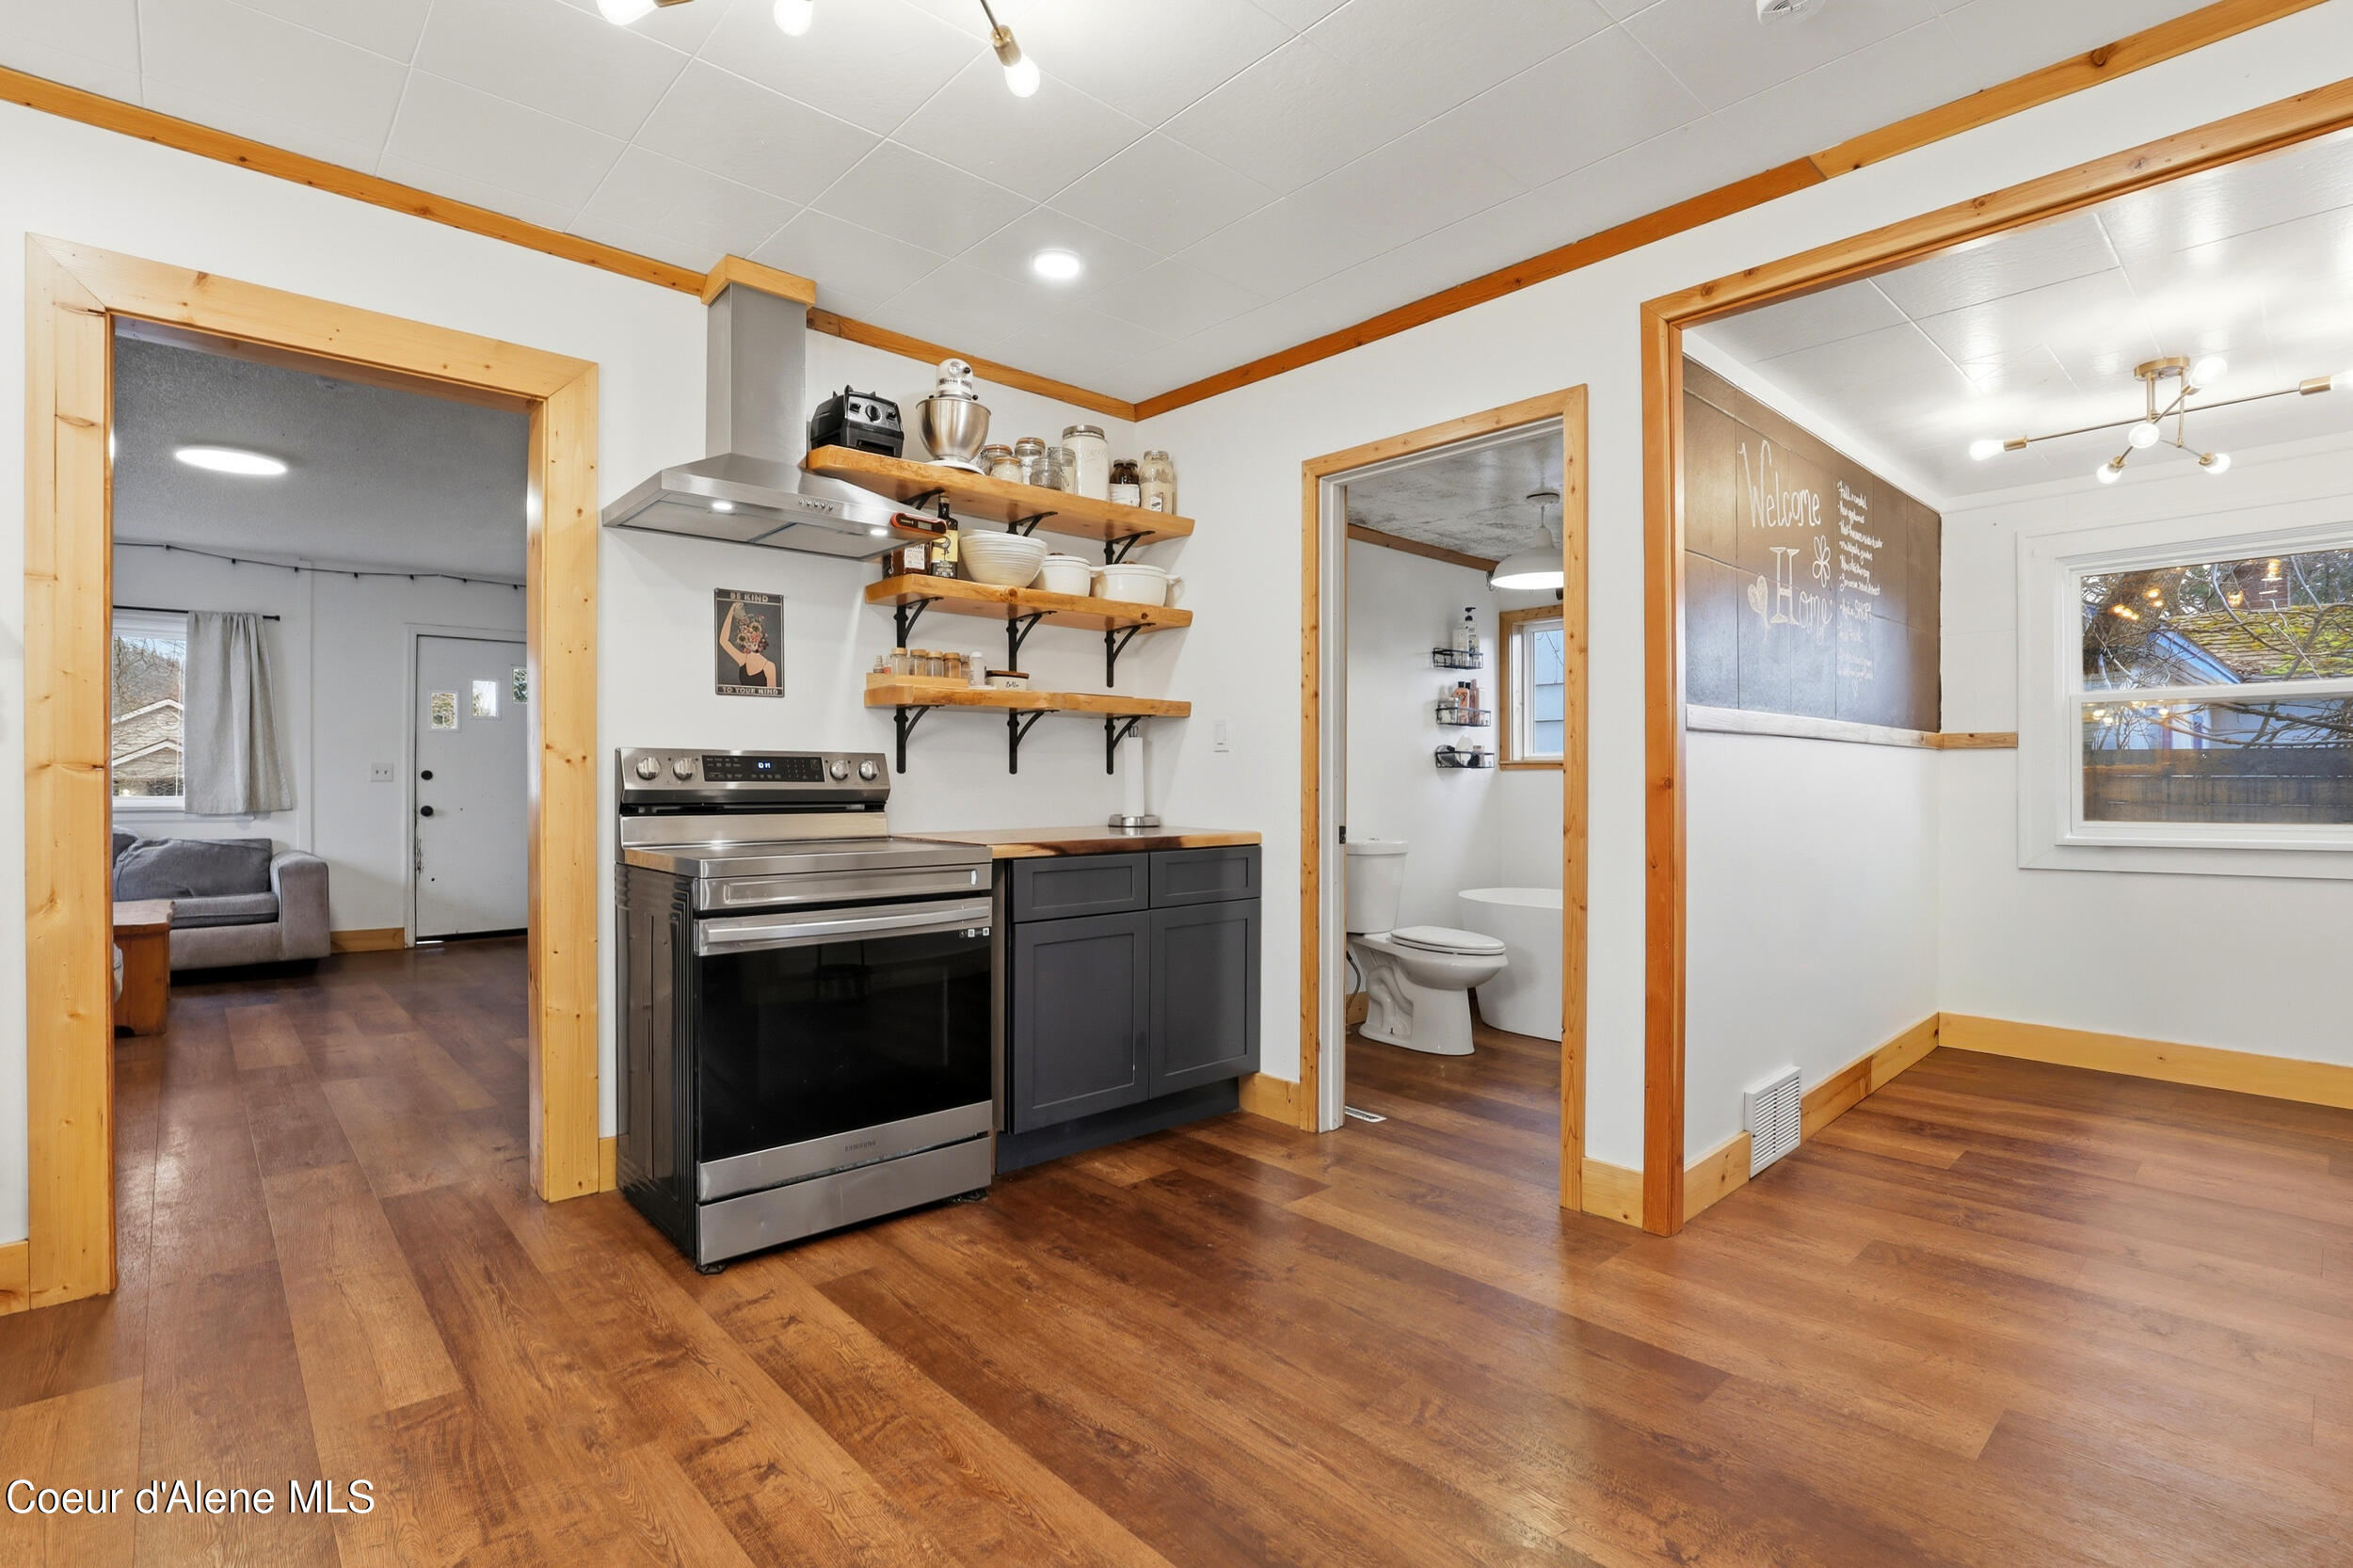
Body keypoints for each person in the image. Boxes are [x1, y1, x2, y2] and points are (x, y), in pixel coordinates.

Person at [718, 598, 776, 689]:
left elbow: (773, 698)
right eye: (747, 638)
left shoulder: (769, 666)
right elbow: (723, 640)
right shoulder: (742, 660)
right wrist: (732, 609)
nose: (751, 640)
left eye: (754, 636)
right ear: (743, 642)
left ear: (760, 638)